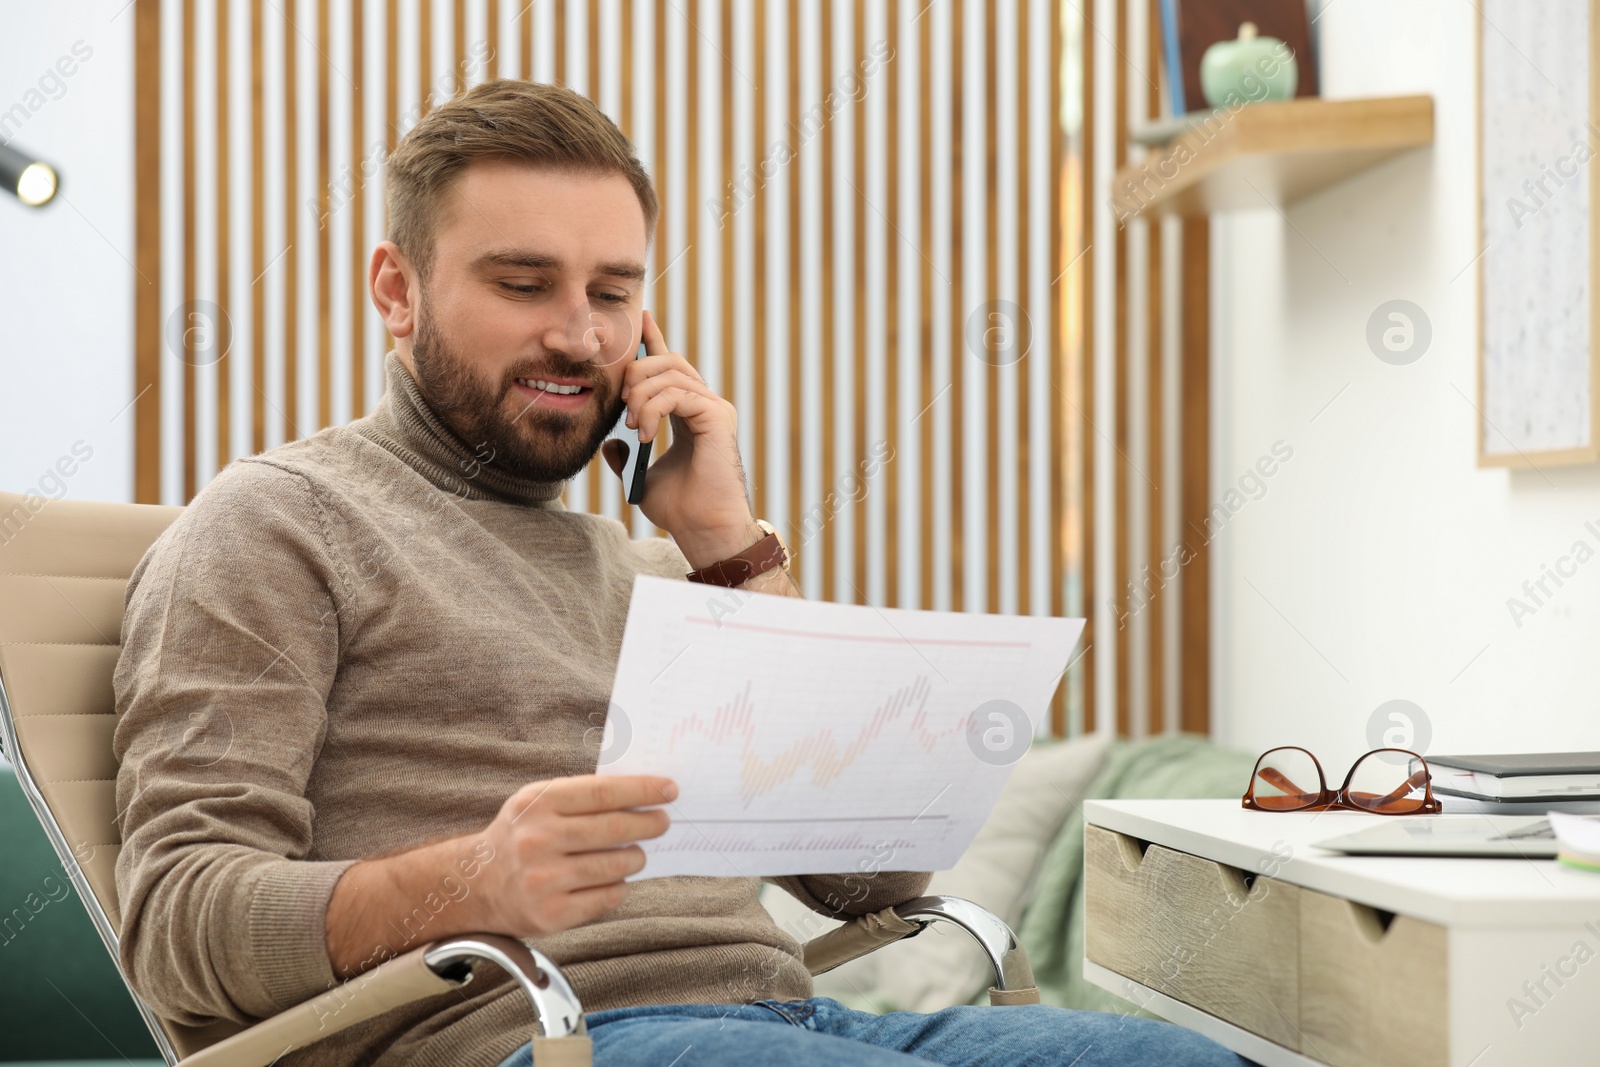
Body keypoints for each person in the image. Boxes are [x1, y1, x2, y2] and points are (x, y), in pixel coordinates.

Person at [112, 79, 1247, 1067]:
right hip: (531, 1037)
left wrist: (729, 543)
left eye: (612, 294)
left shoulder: (662, 568)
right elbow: (174, 924)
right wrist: (473, 878)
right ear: (397, 291)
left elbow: (874, 885)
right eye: (522, 284)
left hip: (788, 1022)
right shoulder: (278, 522)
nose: (580, 335)